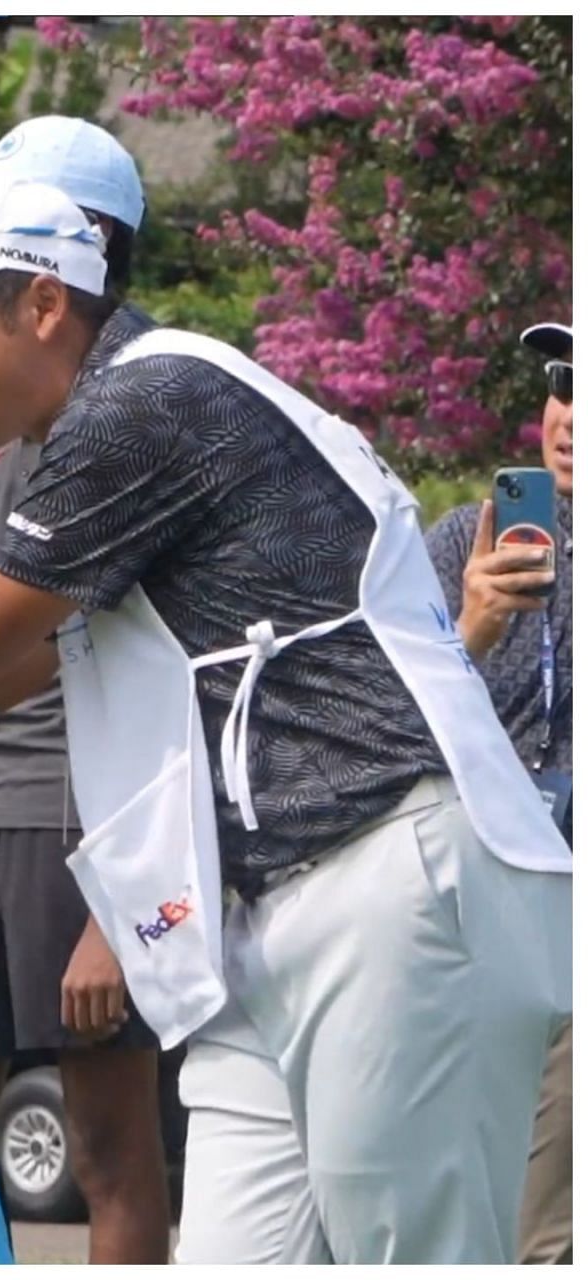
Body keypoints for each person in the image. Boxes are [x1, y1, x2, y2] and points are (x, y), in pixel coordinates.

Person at [0, 174, 570, 1263]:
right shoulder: (112, 413)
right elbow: (4, 677)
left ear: (44, 306)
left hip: (394, 882)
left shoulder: (145, 400)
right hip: (266, 914)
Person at [0, 118, 168, 1263]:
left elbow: (167, 689)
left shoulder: (131, 413)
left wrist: (116, 914)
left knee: (111, 1150)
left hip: (85, 824)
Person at [425, 321, 572, 1264]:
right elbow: (389, 718)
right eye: (564, 381)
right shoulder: (461, 541)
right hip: (471, 895)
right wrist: (472, 625)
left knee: (541, 1225)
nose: (568, 412)